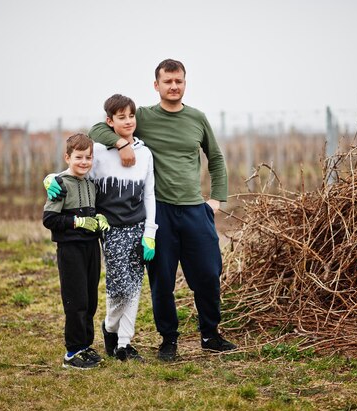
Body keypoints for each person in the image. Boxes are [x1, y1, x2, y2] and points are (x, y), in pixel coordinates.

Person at [88, 58, 236, 361]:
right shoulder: (142, 116)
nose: (173, 86)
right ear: (156, 85)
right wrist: (120, 143)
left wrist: (216, 199)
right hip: (159, 214)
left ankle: (210, 334)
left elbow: (216, 159)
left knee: (209, 273)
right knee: (162, 281)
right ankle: (168, 340)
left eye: (178, 81)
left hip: (196, 210)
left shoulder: (197, 118)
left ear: (185, 83)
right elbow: (96, 129)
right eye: (167, 81)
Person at [44, 94, 157, 362]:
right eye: (121, 117)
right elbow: (74, 172)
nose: (128, 121)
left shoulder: (145, 154)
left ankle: (123, 344)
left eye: (131, 116)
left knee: (134, 286)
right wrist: (49, 177)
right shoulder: (99, 153)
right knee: (119, 288)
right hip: (109, 232)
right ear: (110, 121)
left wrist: (150, 233)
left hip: (138, 228)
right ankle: (108, 330)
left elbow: (149, 195)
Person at [42, 133, 110, 370]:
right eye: (78, 157)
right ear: (67, 157)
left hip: (92, 248)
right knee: (76, 301)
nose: (84, 162)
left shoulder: (90, 184)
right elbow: (50, 219)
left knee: (90, 299)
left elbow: (94, 211)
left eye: (88, 157)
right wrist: (77, 222)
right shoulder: (59, 185)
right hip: (71, 250)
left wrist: (97, 218)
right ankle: (71, 353)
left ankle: (85, 346)